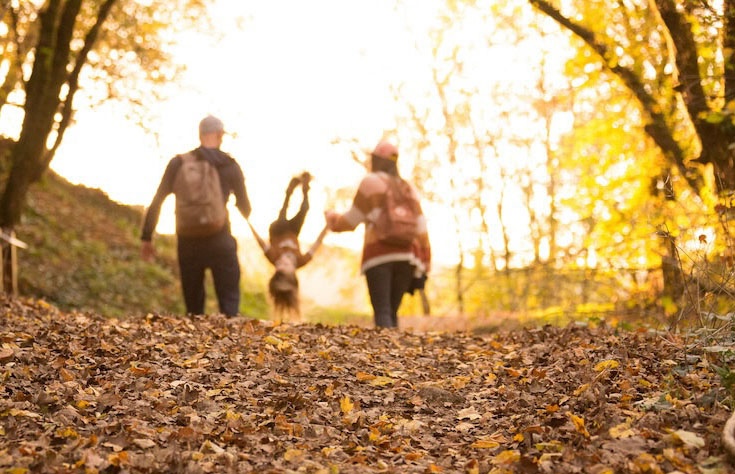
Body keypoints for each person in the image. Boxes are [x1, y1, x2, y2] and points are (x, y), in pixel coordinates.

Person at [140, 115, 252, 317]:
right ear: (219, 135)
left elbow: (157, 200)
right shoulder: (230, 165)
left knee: (193, 310)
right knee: (229, 305)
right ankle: (228, 344)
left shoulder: (179, 163)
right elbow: (246, 209)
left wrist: (147, 237)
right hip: (221, 239)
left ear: (200, 135)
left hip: (188, 241)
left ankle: (195, 345)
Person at [325, 140, 431, 328]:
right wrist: (424, 264)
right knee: (392, 311)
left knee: (382, 312)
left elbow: (351, 220)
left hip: (378, 256)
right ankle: (398, 355)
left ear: (376, 159)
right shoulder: (409, 189)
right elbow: (422, 229)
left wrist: (334, 220)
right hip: (407, 257)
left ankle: (387, 356)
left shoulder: (371, 182)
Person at [248, 172, 327, 320]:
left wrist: (248, 221)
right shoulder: (301, 261)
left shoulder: (274, 257)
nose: (279, 265)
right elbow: (316, 244)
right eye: (284, 267)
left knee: (282, 218)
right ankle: (305, 185)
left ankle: (289, 191)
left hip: (276, 230)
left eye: (277, 269)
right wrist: (327, 227)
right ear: (293, 272)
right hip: (293, 231)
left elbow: (260, 242)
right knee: (305, 208)